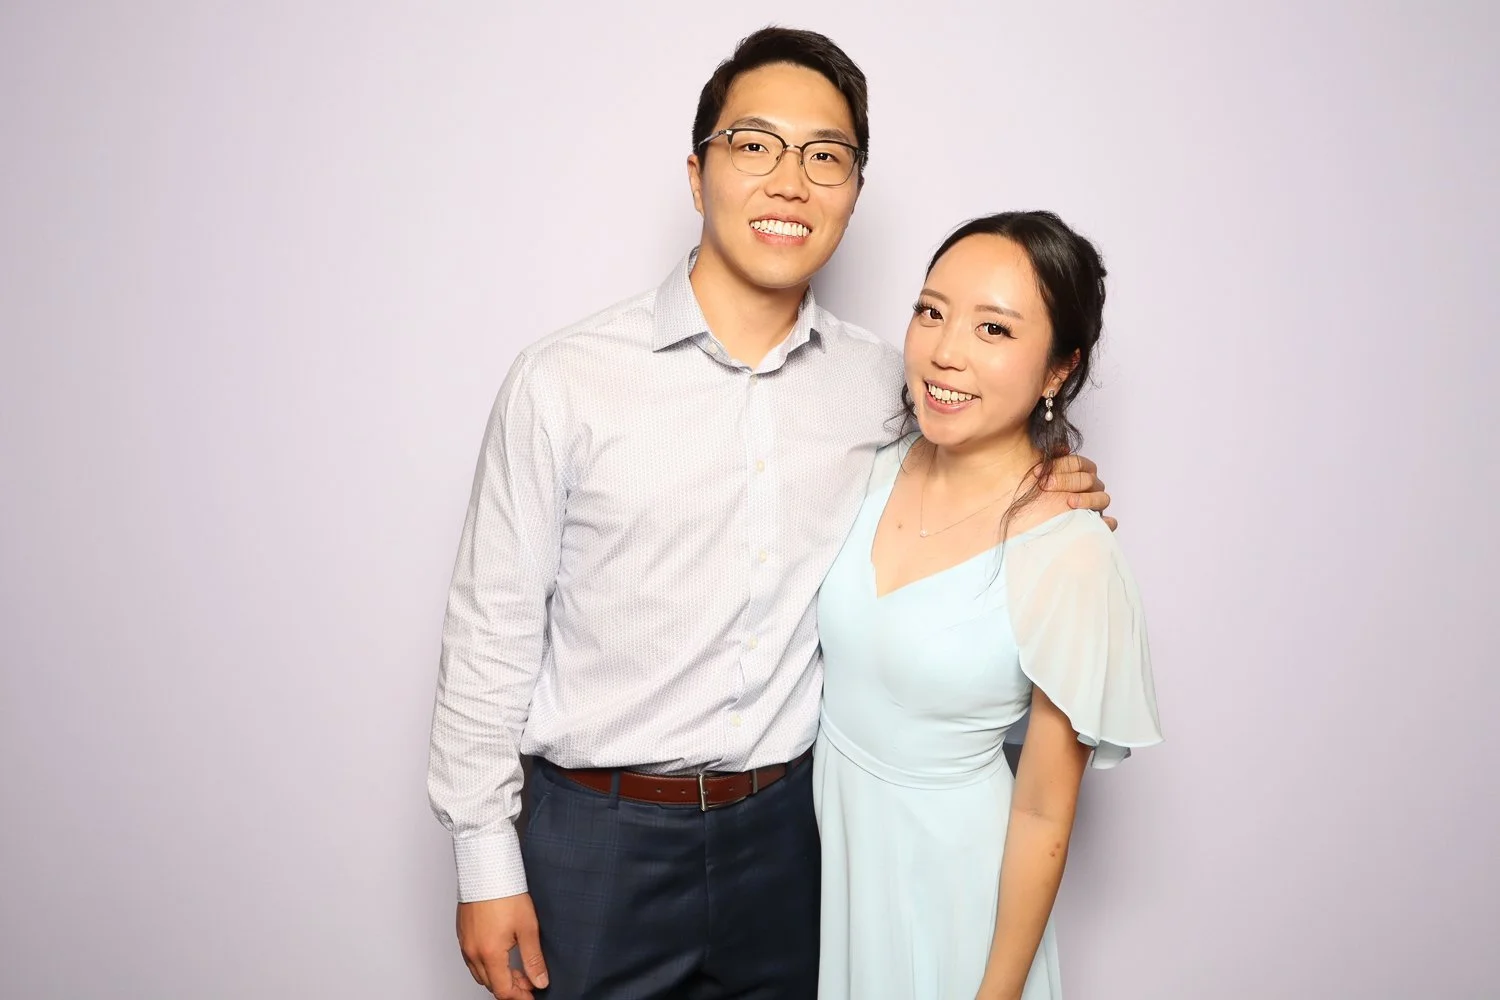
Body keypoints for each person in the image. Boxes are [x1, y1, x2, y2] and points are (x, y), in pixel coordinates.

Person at [426, 29, 1114, 1000]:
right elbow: (488, 631)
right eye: (754, 144)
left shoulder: (893, 383)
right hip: (600, 834)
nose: (791, 180)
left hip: (795, 835)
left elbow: (974, 474)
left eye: (826, 156)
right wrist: (483, 862)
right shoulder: (564, 381)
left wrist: (1055, 475)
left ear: (854, 191)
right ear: (698, 169)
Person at [813, 211, 1163, 1000]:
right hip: (830, 873)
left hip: (952, 898)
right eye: (931, 311)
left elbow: (1043, 811)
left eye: (994, 330)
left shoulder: (1071, 550)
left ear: (1056, 372)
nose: (946, 351)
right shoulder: (869, 466)